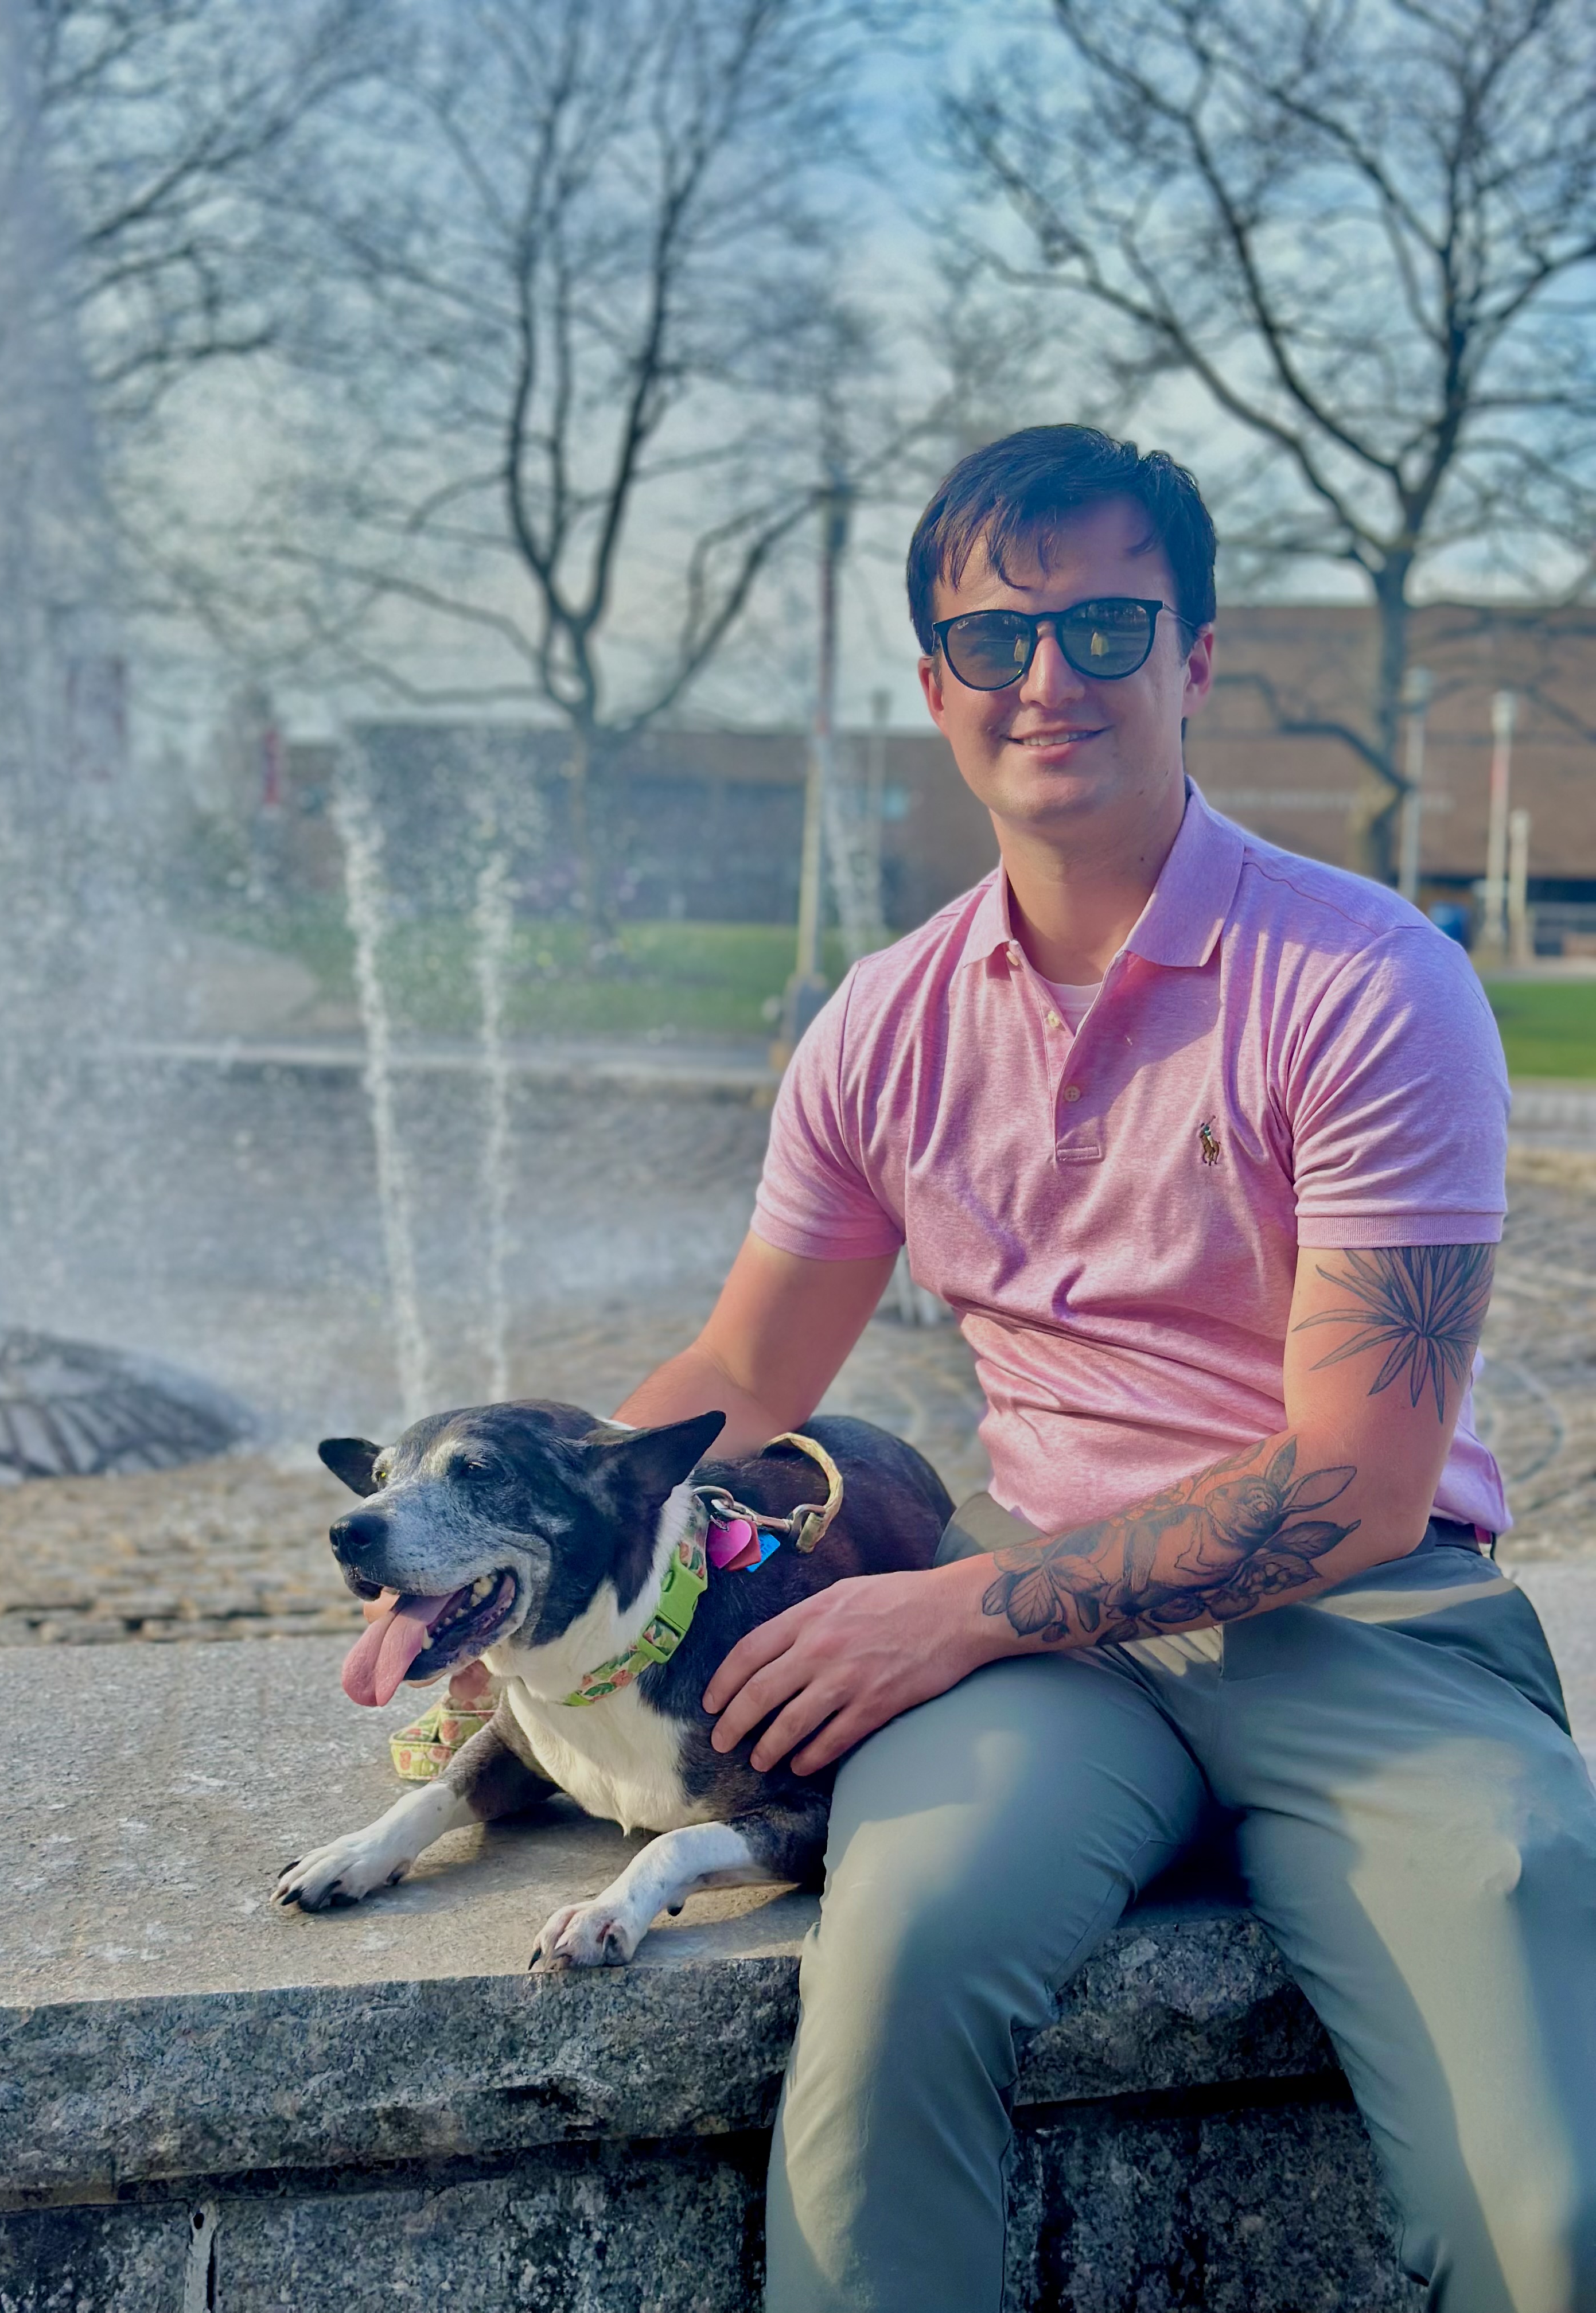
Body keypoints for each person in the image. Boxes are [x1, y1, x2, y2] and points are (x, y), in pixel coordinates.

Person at [613, 425, 1596, 2313]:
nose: (1048, 681)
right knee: (889, 1979)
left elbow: (1358, 1481)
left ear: (1196, 659)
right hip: (1057, 1668)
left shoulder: (1370, 982)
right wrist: (505, 1550)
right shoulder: (882, 1023)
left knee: (1545, 2201)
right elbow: (748, 1366)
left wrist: (959, 1608)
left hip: (1369, 1623)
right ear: (936, 688)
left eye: (1106, 628)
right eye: (996, 642)